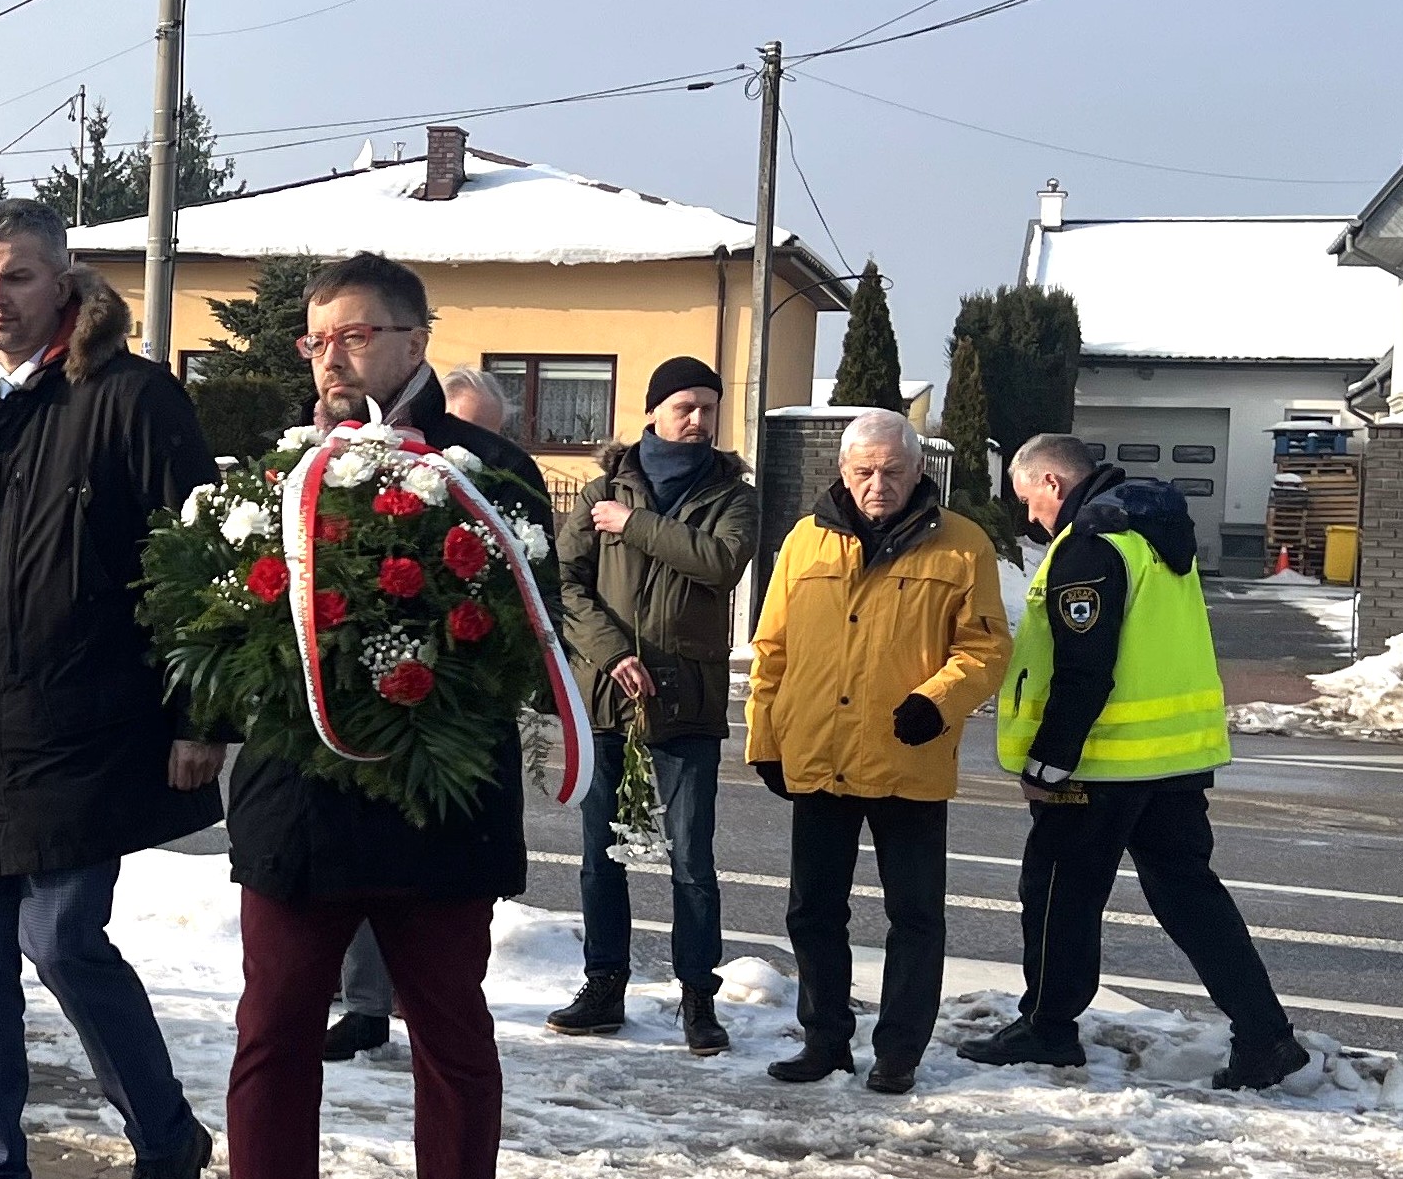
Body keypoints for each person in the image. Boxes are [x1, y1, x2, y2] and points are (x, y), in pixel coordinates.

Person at [156, 252, 557, 1179]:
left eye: (354, 335)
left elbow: (529, 638)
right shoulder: (272, 479)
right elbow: (220, 613)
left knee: (449, 1029)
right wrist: (202, 718)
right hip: (299, 811)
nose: (330, 357)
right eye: (315, 338)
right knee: (271, 1038)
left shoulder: (487, 474)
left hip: (437, 813)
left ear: (415, 341)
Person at [0, 199, 220, 1179]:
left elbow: (198, 575)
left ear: (66, 284)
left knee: (61, 939)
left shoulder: (129, 401)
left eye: (18, 277)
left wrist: (197, 717)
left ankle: (164, 1135)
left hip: (88, 729)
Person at [961, 435, 1309, 1090]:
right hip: (1173, 761)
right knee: (1190, 899)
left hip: (1103, 763)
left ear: (1052, 484)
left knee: (1058, 893)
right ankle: (1265, 1033)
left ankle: (1048, 1028)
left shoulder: (1092, 544)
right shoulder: (1153, 533)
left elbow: (1083, 666)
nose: (1029, 516)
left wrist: (1049, 763)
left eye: (1027, 498)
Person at [746, 409, 1008, 1097]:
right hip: (821, 755)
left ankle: (898, 1051)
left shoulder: (963, 545)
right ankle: (825, 1041)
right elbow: (771, 649)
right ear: (842, 470)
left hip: (907, 757)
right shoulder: (803, 543)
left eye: (893, 470)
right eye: (864, 470)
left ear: (920, 470)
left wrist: (939, 699)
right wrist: (766, 738)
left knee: (915, 916)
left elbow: (985, 648)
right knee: (813, 911)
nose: (878, 483)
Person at [547, 356, 757, 1054]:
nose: (697, 421)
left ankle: (699, 995)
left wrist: (632, 525)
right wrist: (612, 653)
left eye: (706, 407)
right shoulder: (603, 487)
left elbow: (721, 562)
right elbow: (564, 583)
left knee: (691, 856)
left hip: (687, 701)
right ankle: (604, 982)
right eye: (684, 407)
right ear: (654, 412)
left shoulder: (733, 493)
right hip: (609, 696)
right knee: (600, 852)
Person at [323, 364, 519, 1063]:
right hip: (368, 718)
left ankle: (412, 996)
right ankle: (369, 1004)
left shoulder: (501, 479)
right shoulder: (359, 466)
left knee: (447, 960)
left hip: (456, 729)